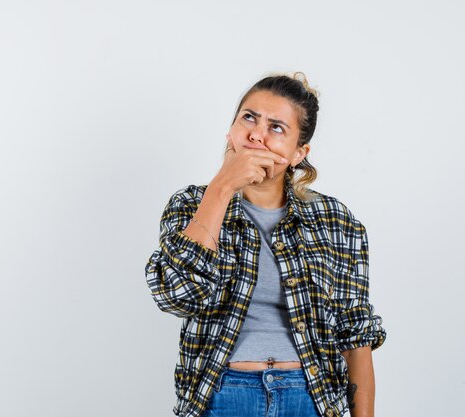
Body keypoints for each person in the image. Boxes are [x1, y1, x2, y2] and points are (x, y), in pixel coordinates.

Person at [144, 72, 387, 417]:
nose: (256, 134)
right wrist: (222, 187)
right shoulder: (189, 205)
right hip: (222, 395)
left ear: (298, 152)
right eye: (249, 118)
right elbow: (176, 295)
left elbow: (355, 336)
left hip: (309, 396)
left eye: (276, 127)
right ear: (230, 130)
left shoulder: (336, 220)